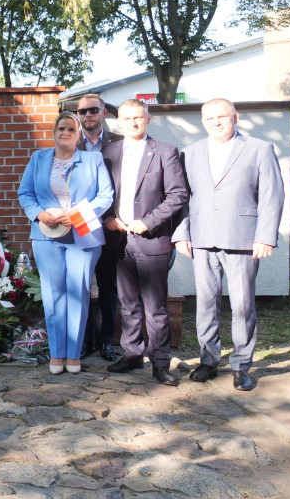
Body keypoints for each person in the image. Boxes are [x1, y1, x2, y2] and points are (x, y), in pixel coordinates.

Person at [172, 98, 284, 392]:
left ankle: (241, 365)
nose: (216, 122)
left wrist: (265, 236)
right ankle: (208, 360)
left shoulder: (259, 149)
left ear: (235, 116)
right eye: (210, 118)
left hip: (243, 239)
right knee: (206, 304)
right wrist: (182, 233)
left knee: (242, 305)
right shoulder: (191, 152)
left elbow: (273, 196)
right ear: (203, 121)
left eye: (222, 116)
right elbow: (183, 199)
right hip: (202, 239)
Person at [18, 111, 114, 374]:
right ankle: (56, 354)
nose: (66, 133)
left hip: (83, 235)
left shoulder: (93, 159)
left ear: (79, 134)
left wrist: (76, 215)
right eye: (61, 128)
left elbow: (106, 195)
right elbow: (25, 193)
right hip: (47, 235)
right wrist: (40, 214)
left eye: (71, 129)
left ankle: (74, 355)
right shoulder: (38, 158)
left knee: (78, 294)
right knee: (53, 295)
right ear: (54, 132)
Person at [101, 100, 189, 386]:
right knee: (127, 303)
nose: (133, 123)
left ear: (147, 119)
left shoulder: (165, 152)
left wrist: (149, 221)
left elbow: (178, 194)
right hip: (118, 239)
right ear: (120, 122)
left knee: (155, 306)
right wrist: (109, 217)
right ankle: (132, 354)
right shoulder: (109, 152)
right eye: (127, 118)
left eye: (138, 117)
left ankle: (160, 363)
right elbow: (101, 192)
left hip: (151, 239)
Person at [75, 92, 122, 362]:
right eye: (83, 111)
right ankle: (82, 341)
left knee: (107, 285)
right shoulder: (70, 142)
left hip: (109, 225)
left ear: (104, 113)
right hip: (77, 226)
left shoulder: (121, 144)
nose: (88, 115)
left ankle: (106, 341)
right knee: (80, 285)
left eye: (94, 110)